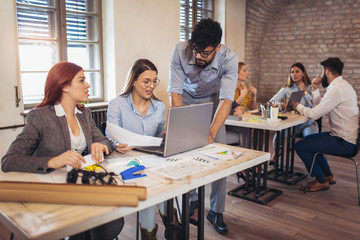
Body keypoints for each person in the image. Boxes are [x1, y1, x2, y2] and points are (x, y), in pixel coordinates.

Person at [1, 61, 124, 240]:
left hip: (78, 186)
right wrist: (52, 161)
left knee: (112, 222)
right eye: (81, 80)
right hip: (49, 192)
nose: (88, 85)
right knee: (85, 223)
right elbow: (9, 160)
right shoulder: (40, 116)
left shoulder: (84, 114)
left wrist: (102, 146)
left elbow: (105, 140)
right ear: (65, 86)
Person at [168, 18, 238, 234]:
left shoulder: (230, 58)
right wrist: (181, 128)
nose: (199, 56)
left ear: (217, 47)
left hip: (212, 102)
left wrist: (211, 132)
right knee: (185, 151)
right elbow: (175, 93)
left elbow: (227, 100)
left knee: (221, 156)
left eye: (205, 52)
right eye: (196, 50)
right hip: (186, 100)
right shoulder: (180, 50)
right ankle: (190, 200)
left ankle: (216, 210)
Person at [107, 59, 182, 240]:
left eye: (155, 81)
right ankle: (159, 232)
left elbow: (158, 138)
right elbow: (109, 136)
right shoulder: (117, 104)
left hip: (152, 159)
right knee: (149, 187)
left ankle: (168, 231)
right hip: (125, 162)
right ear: (133, 81)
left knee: (165, 183)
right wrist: (116, 144)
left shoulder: (160, 107)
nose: (151, 86)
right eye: (146, 81)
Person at [295, 57, 359, 192]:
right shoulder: (342, 86)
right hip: (345, 138)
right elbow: (321, 107)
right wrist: (315, 89)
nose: (321, 73)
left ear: (327, 72)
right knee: (309, 140)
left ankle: (320, 181)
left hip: (344, 142)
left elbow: (315, 114)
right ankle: (328, 176)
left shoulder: (337, 89)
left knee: (300, 145)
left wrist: (298, 106)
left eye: (321, 70)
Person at [269, 63, 318, 162]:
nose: (294, 74)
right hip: (291, 125)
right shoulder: (287, 88)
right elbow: (272, 102)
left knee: (310, 141)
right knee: (277, 137)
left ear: (303, 73)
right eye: (292, 72)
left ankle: (312, 164)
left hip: (307, 124)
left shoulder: (310, 87)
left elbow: (313, 105)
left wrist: (304, 91)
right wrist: (281, 104)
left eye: (297, 72)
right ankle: (276, 154)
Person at [226, 62, 257, 147]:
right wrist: (242, 95)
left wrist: (254, 96)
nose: (248, 72)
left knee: (254, 129)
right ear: (237, 74)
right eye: (244, 70)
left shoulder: (245, 88)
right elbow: (228, 107)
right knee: (247, 130)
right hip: (231, 121)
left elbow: (252, 107)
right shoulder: (229, 89)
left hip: (242, 119)